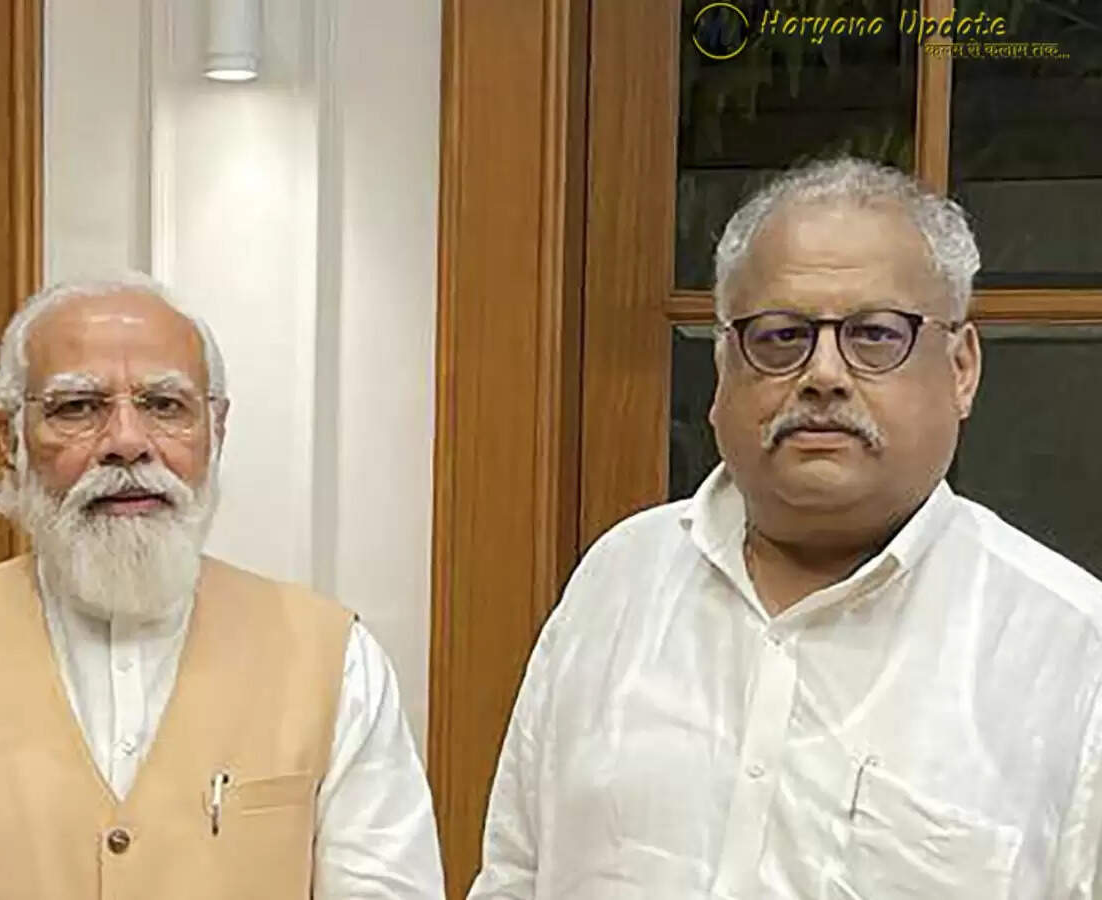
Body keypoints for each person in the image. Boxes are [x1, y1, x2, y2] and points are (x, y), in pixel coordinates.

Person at [469, 158, 1102, 898]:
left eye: (875, 335)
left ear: (961, 368)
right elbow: (514, 873)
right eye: (780, 337)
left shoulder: (1071, 654)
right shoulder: (620, 578)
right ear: (723, 368)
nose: (823, 374)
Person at [0, 276, 445, 899]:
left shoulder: (334, 659)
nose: (127, 443)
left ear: (216, 428)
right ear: (9, 436)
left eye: (164, 406)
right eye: (77, 407)